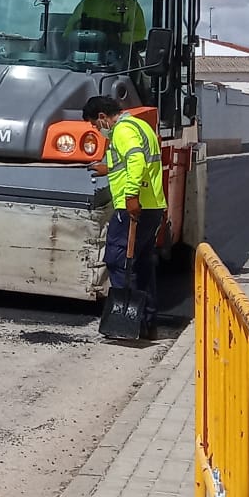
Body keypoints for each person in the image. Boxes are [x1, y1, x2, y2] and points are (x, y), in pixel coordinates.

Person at [82, 94, 165, 332]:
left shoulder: (122, 130)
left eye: (95, 125)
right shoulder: (140, 125)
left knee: (118, 261)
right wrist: (106, 168)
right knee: (142, 265)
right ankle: (147, 323)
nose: (98, 130)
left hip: (134, 208)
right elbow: (129, 161)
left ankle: (129, 323)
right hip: (152, 205)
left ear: (102, 117)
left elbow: (137, 160)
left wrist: (130, 197)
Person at [66, 0, 147, 54]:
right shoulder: (88, 1)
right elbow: (69, 30)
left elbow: (140, 33)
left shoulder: (132, 5)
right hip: (84, 53)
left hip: (120, 59)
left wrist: (118, 37)